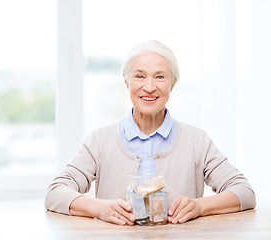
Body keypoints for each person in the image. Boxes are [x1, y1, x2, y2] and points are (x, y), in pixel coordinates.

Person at [45, 40, 256, 225]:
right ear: (126, 82)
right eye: (139, 76)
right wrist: (100, 208)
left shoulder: (197, 141)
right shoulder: (100, 141)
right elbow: (56, 192)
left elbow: (244, 192)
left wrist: (200, 207)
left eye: (160, 77)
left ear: (172, 84)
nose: (149, 87)